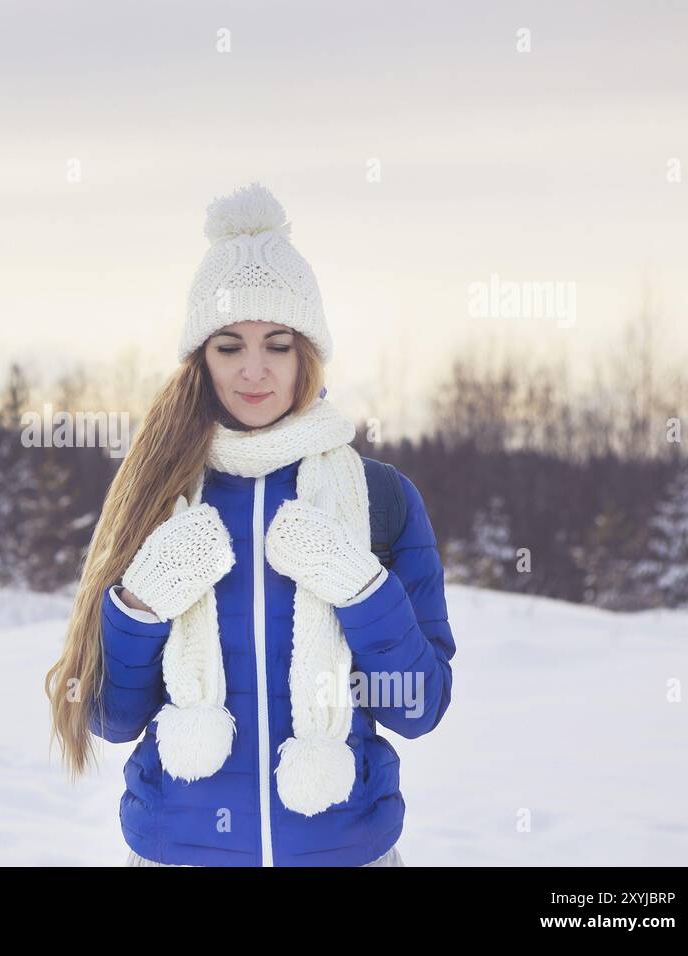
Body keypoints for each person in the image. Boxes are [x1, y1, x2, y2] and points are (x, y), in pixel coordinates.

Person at [45, 181, 455, 866]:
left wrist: (358, 586)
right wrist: (142, 603)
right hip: (179, 852)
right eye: (229, 345)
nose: (254, 371)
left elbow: (418, 706)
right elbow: (111, 718)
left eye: (279, 344)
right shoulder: (156, 490)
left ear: (308, 353)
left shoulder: (379, 498)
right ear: (201, 359)